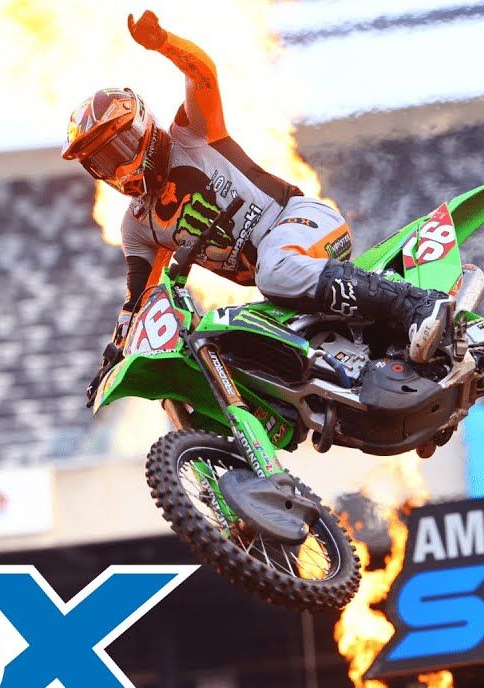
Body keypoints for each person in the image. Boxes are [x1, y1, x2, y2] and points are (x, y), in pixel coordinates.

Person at [64, 11, 453, 405]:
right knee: (244, 347)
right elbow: (138, 302)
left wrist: (163, 42)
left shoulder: (192, 132)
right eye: (103, 161)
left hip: (301, 222)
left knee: (274, 268)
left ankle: (416, 303)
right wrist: (112, 361)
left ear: (141, 124)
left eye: (120, 146)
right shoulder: (137, 226)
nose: (118, 166)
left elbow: (202, 73)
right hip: (279, 285)